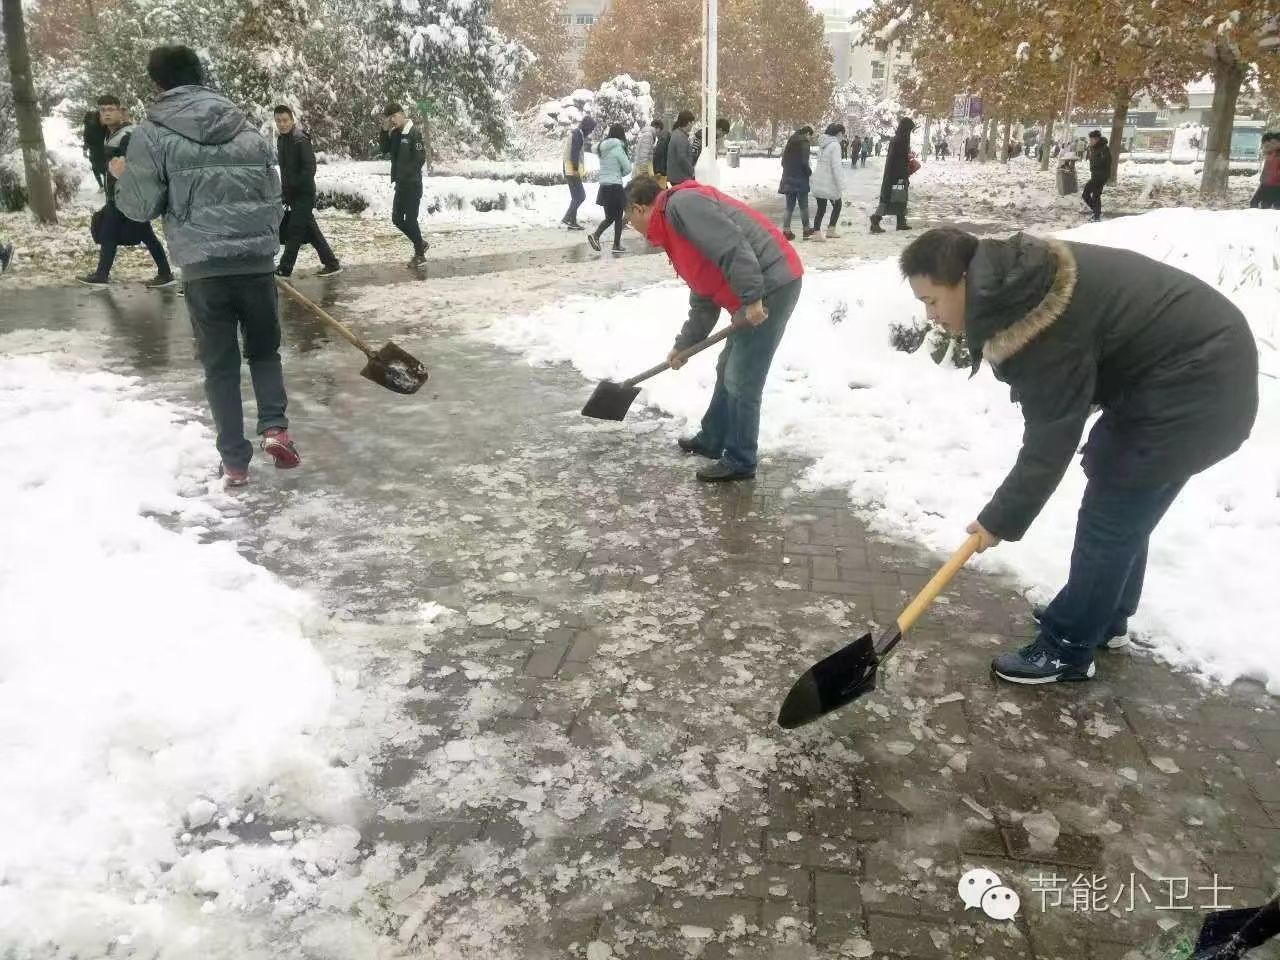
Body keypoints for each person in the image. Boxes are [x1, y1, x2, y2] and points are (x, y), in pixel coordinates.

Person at [899, 227, 1257, 684]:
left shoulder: (1040, 322)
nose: (930, 315)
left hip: (1198, 385)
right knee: (1123, 508)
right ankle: (1105, 618)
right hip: (1188, 372)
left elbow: (1051, 439)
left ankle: (1068, 646)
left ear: (966, 280)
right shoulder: (1020, 282)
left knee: (1111, 514)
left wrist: (998, 520)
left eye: (932, 300)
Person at [115, 44, 300, 486]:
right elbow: (274, 195)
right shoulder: (248, 128)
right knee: (264, 350)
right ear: (200, 75)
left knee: (220, 364)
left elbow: (139, 209)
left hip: (203, 268)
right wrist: (261, 244)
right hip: (256, 263)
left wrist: (124, 176)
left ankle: (235, 462)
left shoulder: (152, 133)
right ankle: (274, 427)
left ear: (157, 83)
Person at [624, 175, 804, 482]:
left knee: (743, 376)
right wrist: (685, 345)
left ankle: (740, 459)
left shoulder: (683, 205)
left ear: (640, 209)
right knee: (727, 366)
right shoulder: (673, 224)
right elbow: (704, 294)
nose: (632, 227)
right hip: (755, 289)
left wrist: (752, 297)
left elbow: (731, 245)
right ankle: (713, 438)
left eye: (629, 219)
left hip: (771, 284)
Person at [77, 95, 174, 288]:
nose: (106, 114)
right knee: (135, 234)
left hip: (128, 196)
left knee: (110, 233)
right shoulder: (111, 133)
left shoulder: (129, 134)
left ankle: (102, 275)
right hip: (120, 196)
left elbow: (134, 165)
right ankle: (164, 273)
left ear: (122, 111)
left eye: (110, 109)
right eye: (102, 110)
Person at [273, 106, 341, 278]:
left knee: (295, 231)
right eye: (278, 121)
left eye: (285, 120)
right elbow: (286, 169)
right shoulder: (281, 140)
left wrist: (294, 185)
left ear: (292, 120)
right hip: (292, 195)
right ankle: (332, 263)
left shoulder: (300, 140)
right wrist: (285, 191)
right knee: (311, 231)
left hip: (304, 194)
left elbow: (309, 168)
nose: (282, 124)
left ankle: (285, 268)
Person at [380, 104, 428, 264]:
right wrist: (384, 130)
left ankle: (420, 254)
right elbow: (384, 149)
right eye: (389, 118)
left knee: (411, 220)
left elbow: (420, 158)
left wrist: (407, 173)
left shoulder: (414, 132)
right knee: (397, 219)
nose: (392, 120)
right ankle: (420, 242)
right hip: (401, 184)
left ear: (401, 114)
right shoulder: (395, 134)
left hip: (413, 184)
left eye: (393, 117)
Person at [589, 122, 632, 254]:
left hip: (604, 187)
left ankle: (615, 244)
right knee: (617, 217)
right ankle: (599, 237)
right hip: (615, 186)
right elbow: (628, 168)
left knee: (610, 217)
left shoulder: (602, 148)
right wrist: (619, 173)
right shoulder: (618, 148)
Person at [871, 116, 915, 233]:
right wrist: (902, 177)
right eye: (910, 130)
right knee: (894, 198)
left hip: (893, 176)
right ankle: (876, 219)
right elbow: (899, 162)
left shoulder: (897, 140)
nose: (910, 133)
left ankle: (901, 222)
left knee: (898, 198)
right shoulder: (900, 142)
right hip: (897, 176)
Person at [810, 123, 845, 240]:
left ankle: (816, 233)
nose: (843, 137)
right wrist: (840, 185)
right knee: (838, 204)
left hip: (819, 181)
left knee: (821, 208)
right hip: (829, 183)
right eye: (842, 134)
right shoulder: (835, 145)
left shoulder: (823, 144)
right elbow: (836, 167)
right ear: (839, 134)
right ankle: (831, 230)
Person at [561, 115, 596, 231]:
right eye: (591, 129)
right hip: (571, 169)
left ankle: (572, 221)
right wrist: (575, 170)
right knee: (581, 196)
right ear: (586, 127)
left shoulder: (577, 133)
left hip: (569, 168)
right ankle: (567, 218)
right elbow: (574, 154)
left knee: (575, 196)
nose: (590, 132)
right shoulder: (577, 135)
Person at [778, 128, 813, 241]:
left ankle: (786, 230)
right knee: (804, 205)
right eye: (810, 136)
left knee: (789, 206)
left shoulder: (790, 142)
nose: (810, 138)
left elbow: (783, 162)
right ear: (807, 134)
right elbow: (804, 162)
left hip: (788, 177)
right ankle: (806, 229)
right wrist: (809, 172)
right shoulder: (804, 142)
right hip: (800, 178)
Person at [1081, 129, 1111, 222]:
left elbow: (1107, 162)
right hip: (1096, 175)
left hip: (1100, 176)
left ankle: (1096, 215)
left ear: (1097, 139)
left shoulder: (1103, 149)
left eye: (1092, 139)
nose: (1090, 141)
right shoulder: (1096, 148)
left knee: (1089, 194)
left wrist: (1101, 173)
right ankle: (1096, 213)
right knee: (1093, 195)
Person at [1248, 132, 1280, 209]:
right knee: (1255, 204)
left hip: (1275, 185)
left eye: (1266, 145)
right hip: (1267, 184)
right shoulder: (1271, 153)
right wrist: (1263, 179)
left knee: (1274, 207)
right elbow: (1267, 169)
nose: (1264, 148)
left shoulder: (1275, 153)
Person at [667, 110, 696, 186]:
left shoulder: (678, 134)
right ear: (689, 122)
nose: (693, 125)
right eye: (692, 122)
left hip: (677, 176)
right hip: (680, 177)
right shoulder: (680, 136)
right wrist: (692, 171)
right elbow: (682, 158)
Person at [82, 109, 107, 190]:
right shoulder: (103, 125)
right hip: (104, 150)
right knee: (104, 169)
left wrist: (85, 150)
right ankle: (106, 186)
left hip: (95, 151)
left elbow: (86, 139)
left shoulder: (89, 126)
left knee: (96, 168)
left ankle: (101, 186)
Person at [652, 121, 672, 188]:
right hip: (666, 171)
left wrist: (657, 171)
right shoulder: (664, 137)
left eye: (653, 129)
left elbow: (659, 155)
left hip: (662, 173)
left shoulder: (663, 139)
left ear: (657, 128)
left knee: (662, 192)